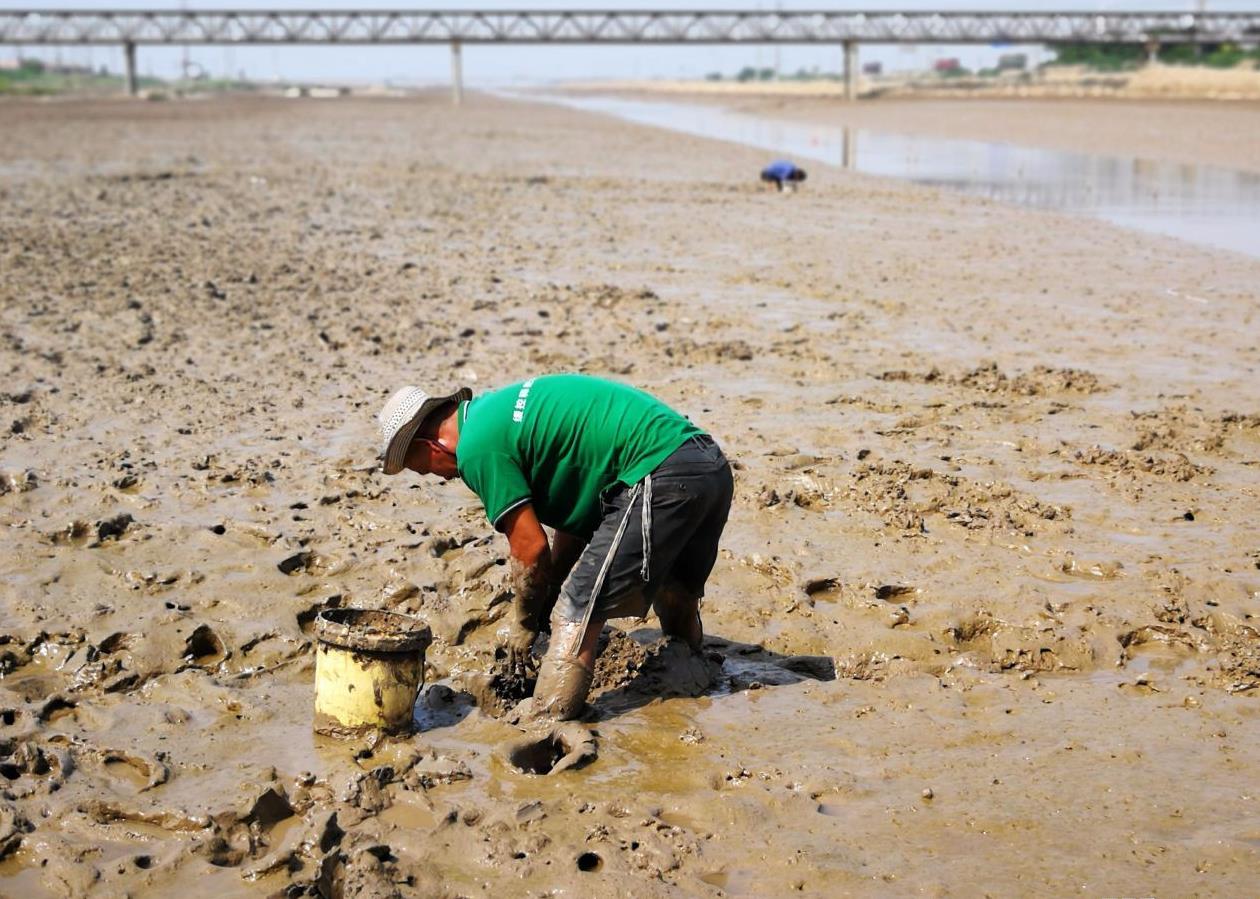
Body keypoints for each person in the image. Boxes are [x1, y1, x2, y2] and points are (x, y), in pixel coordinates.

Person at [377, 374, 734, 720]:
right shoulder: (499, 415)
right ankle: (687, 669)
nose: (440, 477)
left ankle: (548, 718)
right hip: (706, 466)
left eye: (424, 470)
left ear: (429, 446)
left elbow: (530, 549)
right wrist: (549, 589)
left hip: (659, 473)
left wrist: (525, 621)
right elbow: (574, 526)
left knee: (577, 608)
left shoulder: (475, 449)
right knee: (676, 591)